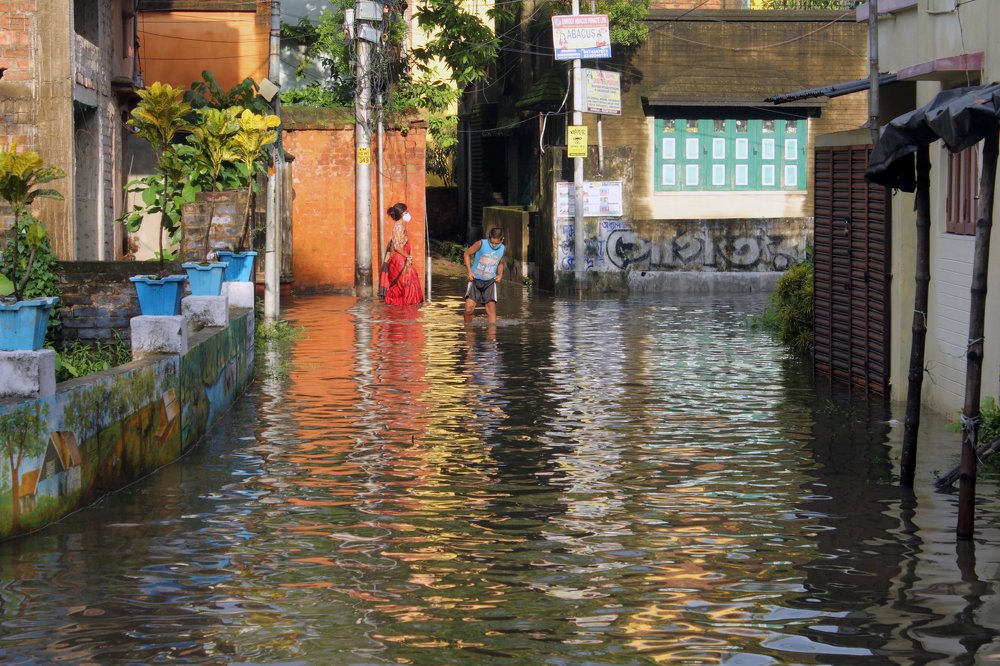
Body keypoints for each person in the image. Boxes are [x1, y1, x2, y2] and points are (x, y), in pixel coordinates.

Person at [381, 202, 424, 306]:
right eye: (406, 212)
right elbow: (397, 246)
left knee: (406, 282)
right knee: (406, 282)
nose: (408, 214)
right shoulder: (398, 227)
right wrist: (408, 256)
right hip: (399, 260)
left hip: (401, 259)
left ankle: (408, 304)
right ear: (401, 214)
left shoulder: (400, 226)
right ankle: (407, 304)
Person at [463, 227, 505, 323]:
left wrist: (500, 275)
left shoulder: (503, 248)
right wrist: (469, 271)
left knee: (491, 310)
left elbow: (501, 263)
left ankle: (492, 332)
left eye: (496, 243)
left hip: (490, 282)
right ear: (489, 238)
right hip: (475, 280)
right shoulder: (481, 243)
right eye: (492, 242)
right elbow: (466, 254)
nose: (494, 245)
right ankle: (468, 329)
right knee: (468, 309)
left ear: (502, 240)